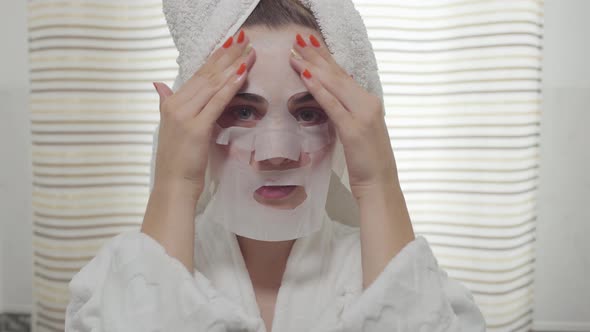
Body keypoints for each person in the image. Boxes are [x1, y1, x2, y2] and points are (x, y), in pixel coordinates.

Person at [65, 1, 486, 331]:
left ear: (345, 129)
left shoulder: (415, 285)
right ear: (193, 124)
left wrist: (379, 183)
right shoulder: (114, 283)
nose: (276, 153)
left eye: (309, 113)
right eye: (243, 112)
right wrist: (173, 184)